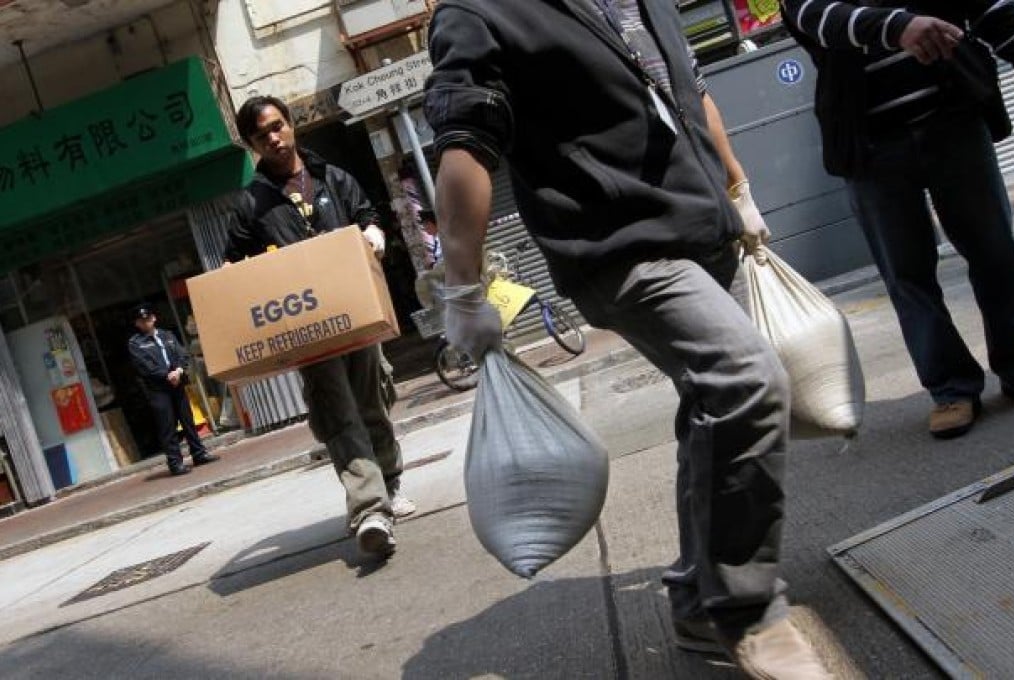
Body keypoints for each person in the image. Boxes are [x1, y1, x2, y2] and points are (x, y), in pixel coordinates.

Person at [425, 2, 830, 677]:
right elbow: (465, 143)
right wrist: (462, 285)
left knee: (710, 411)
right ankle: (746, 611)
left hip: (705, 232)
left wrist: (739, 189)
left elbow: (688, 90)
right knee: (746, 380)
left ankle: (699, 603)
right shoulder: (481, 11)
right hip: (618, 250)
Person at [781, 0, 1014, 439]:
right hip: (870, 144)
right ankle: (951, 388)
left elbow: (994, 11)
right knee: (907, 274)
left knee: (997, 253)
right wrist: (898, 27)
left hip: (955, 118)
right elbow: (815, 16)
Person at [225, 95, 415, 558]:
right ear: (252, 144)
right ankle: (369, 510)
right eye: (261, 134)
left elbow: (367, 215)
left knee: (372, 403)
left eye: (277, 126)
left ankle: (389, 481)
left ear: (291, 125)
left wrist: (374, 234)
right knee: (338, 413)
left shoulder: (332, 178)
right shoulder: (252, 203)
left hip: (355, 316)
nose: (273, 137)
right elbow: (235, 264)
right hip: (307, 332)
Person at [128, 303, 219, 476]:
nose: (145, 322)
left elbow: (182, 354)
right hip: (158, 390)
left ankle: (199, 454)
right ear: (137, 324)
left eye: (148, 318)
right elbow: (145, 366)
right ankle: (175, 463)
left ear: (153, 318)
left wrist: (178, 371)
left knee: (188, 421)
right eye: (141, 320)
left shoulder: (167, 335)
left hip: (177, 384)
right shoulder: (136, 343)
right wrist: (167, 375)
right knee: (167, 426)